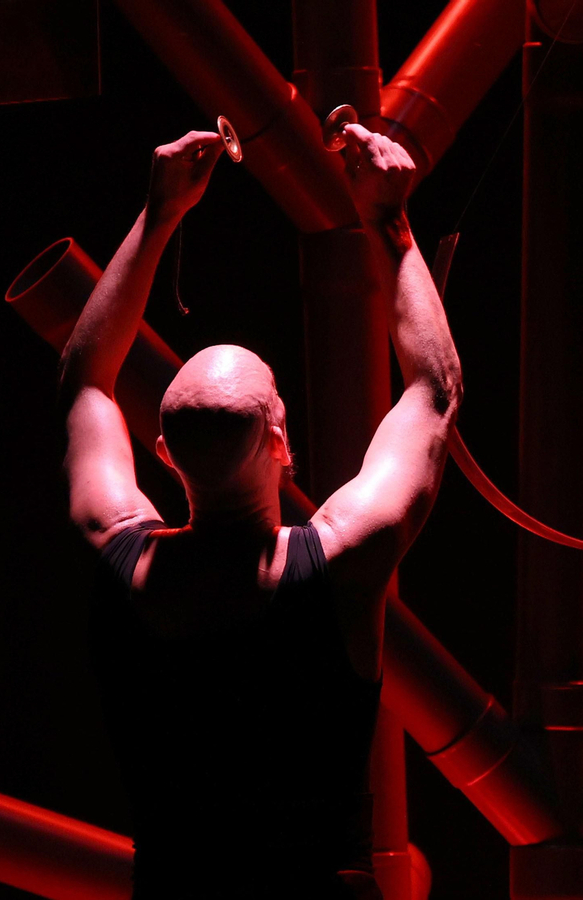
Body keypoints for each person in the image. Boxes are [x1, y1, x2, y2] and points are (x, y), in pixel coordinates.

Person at [58, 123, 462, 899]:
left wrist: (158, 211)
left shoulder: (115, 549)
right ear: (282, 437)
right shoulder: (341, 563)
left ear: (164, 455)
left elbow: (83, 381)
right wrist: (389, 221)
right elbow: (434, 392)